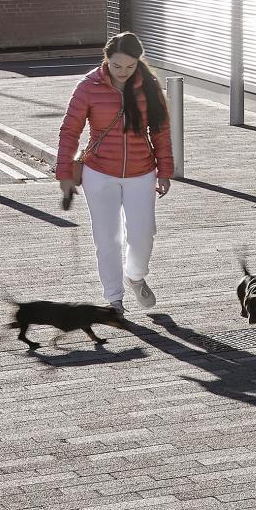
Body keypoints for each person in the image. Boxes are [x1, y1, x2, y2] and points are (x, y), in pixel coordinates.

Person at [54, 31, 174, 316]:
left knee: (143, 234)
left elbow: (161, 132)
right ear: (106, 59)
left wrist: (165, 171)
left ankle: (135, 276)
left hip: (141, 171)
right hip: (99, 173)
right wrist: (64, 174)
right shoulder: (88, 87)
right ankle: (114, 299)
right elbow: (70, 131)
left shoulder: (149, 87)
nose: (123, 72)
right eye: (117, 66)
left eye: (130, 66)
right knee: (107, 238)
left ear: (138, 61)